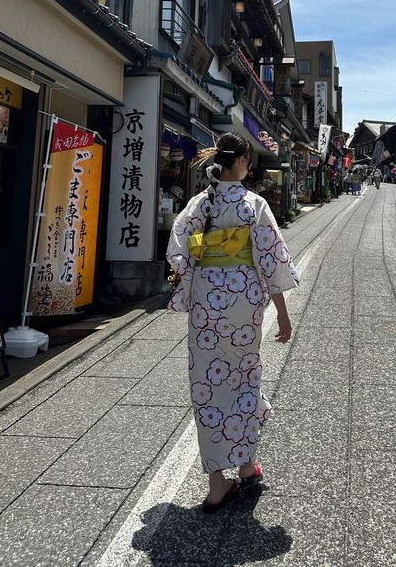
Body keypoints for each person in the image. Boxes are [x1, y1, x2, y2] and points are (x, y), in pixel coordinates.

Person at [167, 133, 299, 513]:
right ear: (238, 162)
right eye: (247, 160)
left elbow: (182, 254)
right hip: (242, 303)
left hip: (207, 302)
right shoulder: (252, 205)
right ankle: (244, 464)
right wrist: (284, 314)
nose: (250, 166)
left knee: (207, 383)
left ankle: (217, 482)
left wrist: (194, 282)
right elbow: (271, 260)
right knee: (243, 377)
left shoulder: (198, 205)